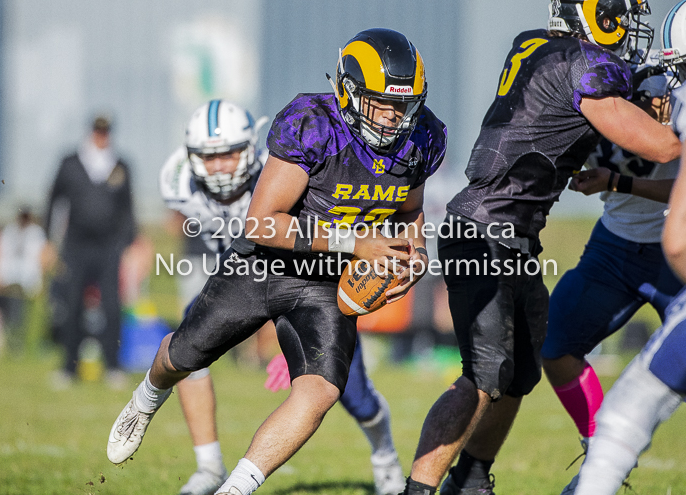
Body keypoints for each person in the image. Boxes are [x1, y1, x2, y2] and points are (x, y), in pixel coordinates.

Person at [107, 28, 446, 495]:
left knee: (322, 391)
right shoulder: (313, 123)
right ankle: (146, 398)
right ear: (348, 92)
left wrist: (416, 251)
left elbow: (409, 210)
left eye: (402, 105)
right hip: (265, 266)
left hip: (327, 281)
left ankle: (236, 487)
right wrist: (357, 243)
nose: (393, 118)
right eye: (380, 103)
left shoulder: (421, 136)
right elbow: (262, 223)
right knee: (183, 356)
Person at [399, 0, 682, 495]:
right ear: (600, 12)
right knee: (484, 375)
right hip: (482, 233)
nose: (629, 28)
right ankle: (417, 490)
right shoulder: (584, 64)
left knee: (520, 371)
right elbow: (665, 148)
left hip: (512, 236)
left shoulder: (535, 45)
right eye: (624, 14)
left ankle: (470, 481)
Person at [160, 99, 406, 495]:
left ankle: (385, 457)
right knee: (186, 339)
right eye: (209, 156)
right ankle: (208, 467)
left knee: (354, 395)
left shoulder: (284, 170)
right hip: (248, 280)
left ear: (250, 149)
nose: (220, 166)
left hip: (314, 281)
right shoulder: (178, 185)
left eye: (229, 153)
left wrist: (282, 343)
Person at [542, 7, 686, 491]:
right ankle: (598, 460)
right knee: (556, 343)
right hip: (616, 244)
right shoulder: (576, 85)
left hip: (672, 247)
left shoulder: (669, 88)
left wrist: (618, 179)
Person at [45, 115, 136, 388]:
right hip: (76, 244)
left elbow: (128, 209)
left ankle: (113, 366)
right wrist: (48, 240)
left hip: (109, 246)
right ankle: (68, 367)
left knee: (111, 304)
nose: (101, 136)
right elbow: (53, 200)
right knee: (72, 303)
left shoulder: (120, 165)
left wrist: (130, 243)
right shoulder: (71, 163)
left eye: (106, 131)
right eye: (98, 131)